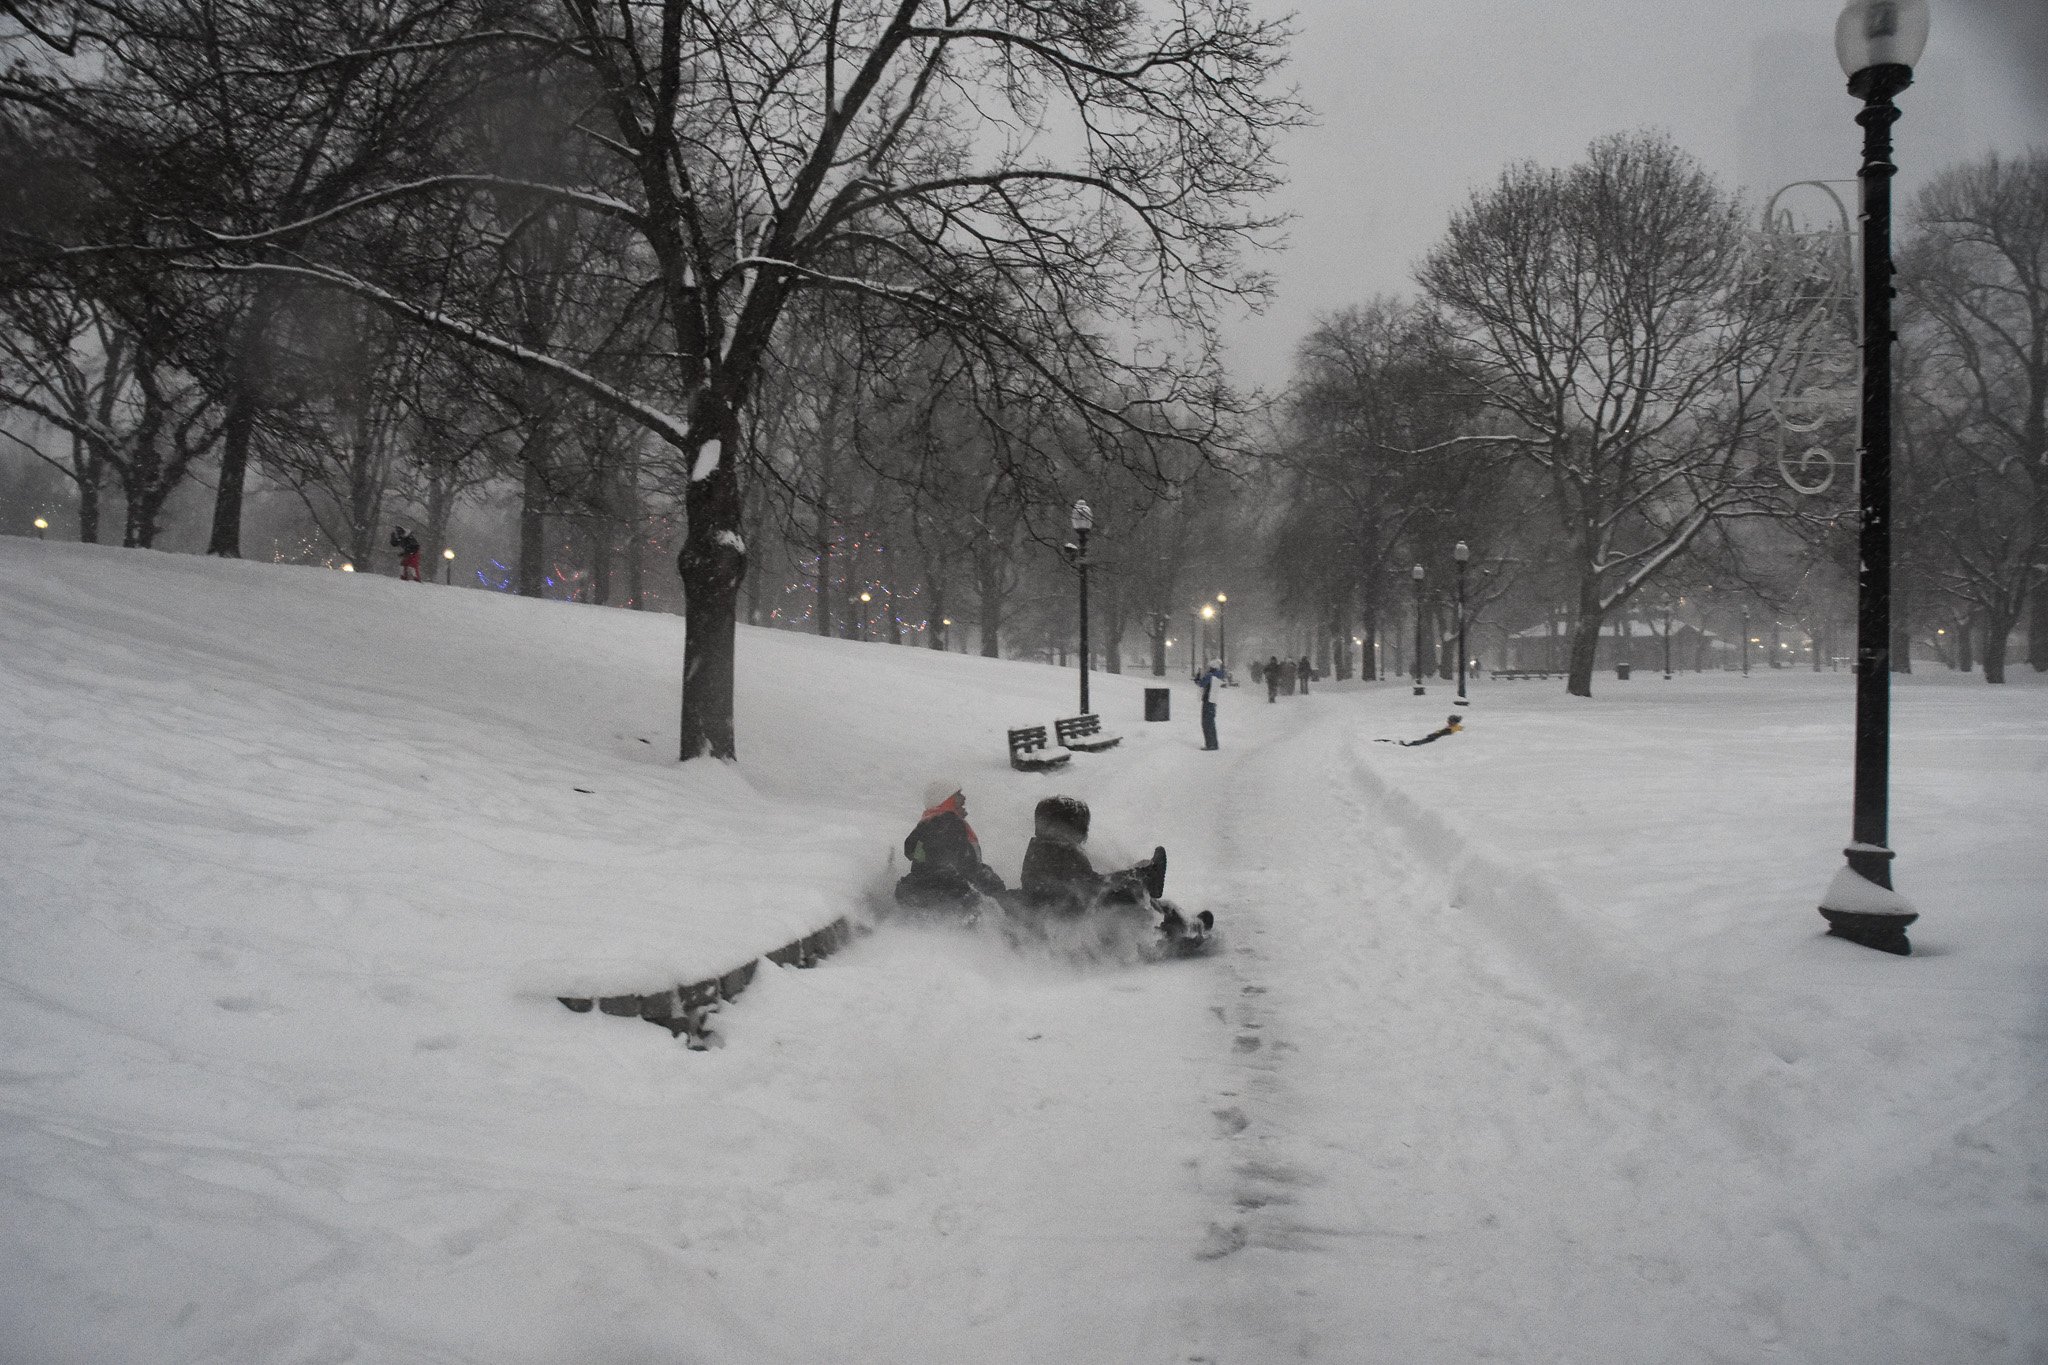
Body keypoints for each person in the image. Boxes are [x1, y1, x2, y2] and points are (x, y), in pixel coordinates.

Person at [1019, 795, 1165, 915]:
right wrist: (1137, 876)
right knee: (1132, 900)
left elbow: (1085, 883)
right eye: (1081, 828)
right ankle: (1149, 879)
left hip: (1057, 912)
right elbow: (1090, 888)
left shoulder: (1043, 849)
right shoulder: (1058, 854)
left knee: (1136, 899)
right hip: (1062, 920)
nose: (1085, 834)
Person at [894, 782, 1007, 910]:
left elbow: (924, 864)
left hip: (924, 896)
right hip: (953, 901)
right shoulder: (948, 823)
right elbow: (957, 867)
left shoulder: (926, 826)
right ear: (947, 800)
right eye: (958, 795)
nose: (964, 799)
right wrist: (991, 885)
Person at [1378, 714, 1465, 747]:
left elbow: (1440, 735)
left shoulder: (1450, 729)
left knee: (1414, 743)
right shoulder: (1457, 727)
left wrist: (1432, 735)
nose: (1448, 722)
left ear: (1453, 722)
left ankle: (1403, 744)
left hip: (1431, 740)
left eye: (1449, 721)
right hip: (1432, 739)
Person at [1196, 659, 1225, 750]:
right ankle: (1213, 743)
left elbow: (1201, 683)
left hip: (1207, 700)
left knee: (1206, 723)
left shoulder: (1210, 676)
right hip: (1213, 701)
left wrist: (1198, 676)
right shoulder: (1218, 675)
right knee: (1211, 723)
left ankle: (1210, 744)